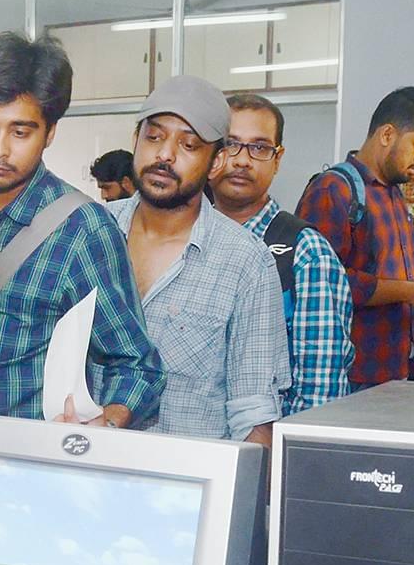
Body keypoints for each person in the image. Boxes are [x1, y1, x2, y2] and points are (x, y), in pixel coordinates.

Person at [0, 32, 165, 428]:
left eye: (20, 132)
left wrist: (106, 422)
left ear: (50, 132)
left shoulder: (82, 230)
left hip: (23, 464)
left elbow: (137, 366)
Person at [103, 78, 287, 444]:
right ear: (135, 140)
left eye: (188, 145)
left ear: (216, 161)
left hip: (184, 489)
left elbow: (252, 414)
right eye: (153, 137)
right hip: (83, 472)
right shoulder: (91, 231)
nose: (165, 155)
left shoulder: (245, 262)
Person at [297, 86, 414, 389]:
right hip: (353, 378)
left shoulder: (393, 196)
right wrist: (412, 292)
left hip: (397, 372)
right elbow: (324, 284)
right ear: (387, 135)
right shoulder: (334, 190)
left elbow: (399, 278)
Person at [210, 93, 354, 414]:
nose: (242, 160)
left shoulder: (305, 252)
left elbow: (321, 392)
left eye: (259, 148)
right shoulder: (185, 239)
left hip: (265, 448)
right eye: (229, 144)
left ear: (277, 159)